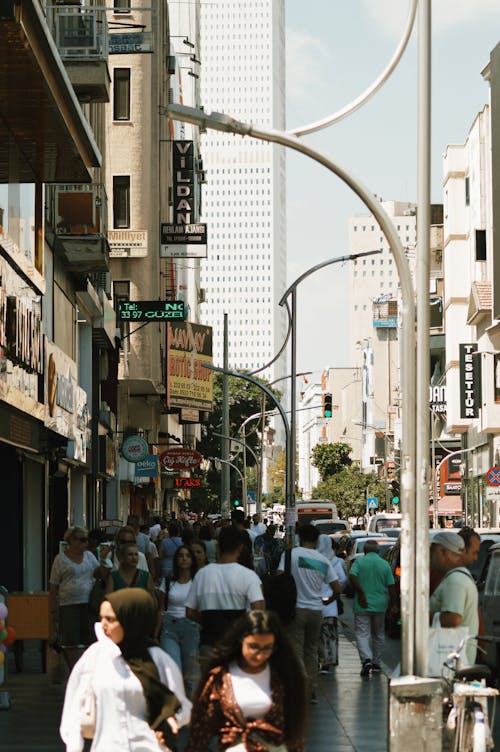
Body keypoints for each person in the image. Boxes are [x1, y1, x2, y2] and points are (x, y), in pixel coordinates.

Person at [60, 588, 192, 752]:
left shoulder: (158, 659)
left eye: (111, 619)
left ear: (132, 621)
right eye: (101, 618)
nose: (103, 625)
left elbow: (182, 707)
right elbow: (73, 712)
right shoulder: (95, 657)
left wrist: (171, 721)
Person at [186, 610, 307, 752]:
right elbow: (201, 728)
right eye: (253, 647)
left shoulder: (284, 677)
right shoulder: (221, 677)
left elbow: (294, 726)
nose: (260, 655)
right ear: (241, 641)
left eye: (267, 648)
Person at [277, 524, 341, 703]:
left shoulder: (290, 555)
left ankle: (300, 686)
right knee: (311, 651)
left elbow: (280, 576)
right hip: (316, 610)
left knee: (296, 649)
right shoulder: (322, 560)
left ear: (299, 537)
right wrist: (327, 600)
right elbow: (336, 588)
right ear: (317, 540)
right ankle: (311, 688)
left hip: (295, 609)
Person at [186, 526, 265, 656]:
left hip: (209, 643)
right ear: (240, 548)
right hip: (237, 646)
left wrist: (207, 620)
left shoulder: (202, 574)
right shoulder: (249, 576)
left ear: (217, 546)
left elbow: (189, 612)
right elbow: (258, 611)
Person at [49, 526, 107, 669]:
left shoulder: (89, 556)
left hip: (89, 603)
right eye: (82, 540)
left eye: (86, 540)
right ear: (71, 540)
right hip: (68, 604)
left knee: (91, 639)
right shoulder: (60, 559)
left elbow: (99, 574)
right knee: (70, 642)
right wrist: (53, 610)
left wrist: (105, 559)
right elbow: (53, 586)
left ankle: (88, 669)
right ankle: (75, 670)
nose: (86, 543)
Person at [429, 530, 478, 666]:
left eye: (432, 552)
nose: (431, 557)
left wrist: (422, 617)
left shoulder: (455, 580)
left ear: (443, 552)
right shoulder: (456, 577)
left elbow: (453, 618)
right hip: (454, 661)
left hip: (453, 662)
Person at [349, 539, 397, 676]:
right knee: (379, 634)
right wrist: (394, 604)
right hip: (380, 605)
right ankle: (376, 662)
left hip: (362, 605)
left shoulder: (359, 562)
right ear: (378, 551)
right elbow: (391, 586)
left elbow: (352, 575)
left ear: (364, 551)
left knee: (362, 633)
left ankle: (366, 659)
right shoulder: (384, 564)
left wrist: (361, 593)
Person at [160, 545, 200, 697]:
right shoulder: (169, 581)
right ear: (176, 559)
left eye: (187, 556)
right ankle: (175, 709)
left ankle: (192, 711)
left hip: (191, 628)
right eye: (181, 555)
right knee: (173, 669)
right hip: (170, 627)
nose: (184, 558)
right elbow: (161, 608)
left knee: (191, 674)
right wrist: (157, 630)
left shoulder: (197, 581)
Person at [316, 534, 347, 673]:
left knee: (316, 636)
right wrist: (334, 591)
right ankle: (328, 661)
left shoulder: (313, 559)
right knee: (329, 635)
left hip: (314, 603)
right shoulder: (335, 562)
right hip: (330, 604)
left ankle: (318, 659)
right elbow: (342, 580)